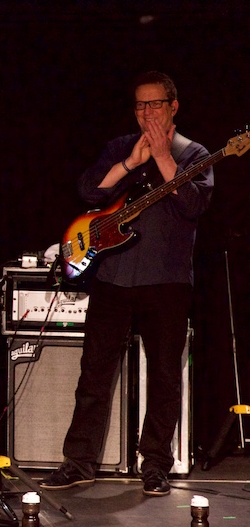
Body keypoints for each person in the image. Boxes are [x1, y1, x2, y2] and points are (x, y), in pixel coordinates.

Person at [41, 71, 213, 496]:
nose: (147, 112)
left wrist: (164, 158)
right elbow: (88, 191)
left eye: (155, 104)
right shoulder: (120, 147)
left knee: (164, 377)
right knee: (94, 375)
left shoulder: (195, 154)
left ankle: (155, 463)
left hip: (167, 281)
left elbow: (194, 206)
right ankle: (79, 461)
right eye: (140, 105)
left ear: (173, 106)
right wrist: (131, 163)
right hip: (114, 278)